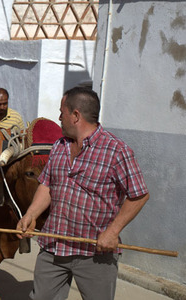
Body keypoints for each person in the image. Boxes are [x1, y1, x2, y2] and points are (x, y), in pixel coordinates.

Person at [16, 87, 149, 300]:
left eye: (62, 112)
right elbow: (47, 185)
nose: (59, 117)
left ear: (76, 115)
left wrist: (113, 232)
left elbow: (139, 195)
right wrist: (31, 214)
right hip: (53, 246)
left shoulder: (116, 151)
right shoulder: (59, 146)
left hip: (95, 254)